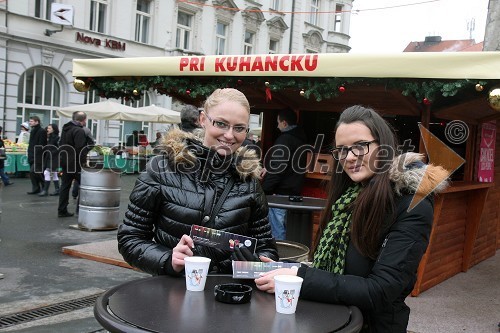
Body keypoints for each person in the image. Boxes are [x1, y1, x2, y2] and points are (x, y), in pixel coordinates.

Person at [255, 105, 449, 333]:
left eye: (360, 146)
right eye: (342, 150)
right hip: (331, 319)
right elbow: (335, 271)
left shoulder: (411, 204)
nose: (349, 157)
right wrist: (286, 269)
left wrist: (300, 277)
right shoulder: (347, 196)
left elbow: (382, 290)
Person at [117, 88, 278, 276]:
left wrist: (253, 264)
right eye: (221, 124)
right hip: (172, 294)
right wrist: (169, 259)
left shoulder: (249, 182)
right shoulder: (162, 168)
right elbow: (130, 239)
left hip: (226, 296)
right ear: (203, 120)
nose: (229, 135)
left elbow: (266, 247)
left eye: (239, 128)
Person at [261, 109, 307, 240]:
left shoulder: (284, 139)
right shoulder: (301, 139)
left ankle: (279, 258)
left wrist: (265, 190)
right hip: (294, 190)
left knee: (277, 231)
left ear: (285, 123)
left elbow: (278, 168)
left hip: (280, 192)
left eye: (278, 122)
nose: (277, 126)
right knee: (288, 230)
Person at [58, 111, 89, 217]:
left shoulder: (65, 129)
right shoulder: (79, 131)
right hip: (76, 163)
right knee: (84, 186)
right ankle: (79, 210)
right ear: (83, 120)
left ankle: (61, 210)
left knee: (65, 186)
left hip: (65, 161)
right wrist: (83, 161)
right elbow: (80, 148)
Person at [27, 116, 47, 194]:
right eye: (30, 121)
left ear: (37, 122)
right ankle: (36, 188)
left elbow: (41, 144)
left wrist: (38, 156)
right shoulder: (33, 130)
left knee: (34, 172)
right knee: (33, 173)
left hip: (38, 155)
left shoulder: (41, 131)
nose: (30, 122)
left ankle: (44, 186)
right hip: (32, 155)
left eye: (31, 121)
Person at [39, 124, 60, 196]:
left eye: (49, 128)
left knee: (46, 172)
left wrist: (52, 152)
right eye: (47, 128)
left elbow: (59, 148)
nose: (47, 129)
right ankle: (57, 189)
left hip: (54, 158)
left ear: (53, 129)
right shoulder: (50, 137)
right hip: (50, 157)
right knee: (54, 173)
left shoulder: (56, 138)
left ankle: (45, 190)